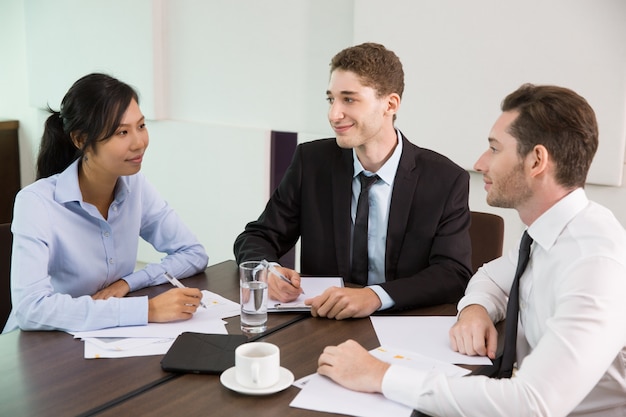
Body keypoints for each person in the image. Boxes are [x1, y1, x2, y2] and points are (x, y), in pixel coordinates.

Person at [317, 84, 626, 416]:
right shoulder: (551, 232)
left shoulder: (594, 263)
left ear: (536, 160)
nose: (480, 163)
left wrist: (382, 375)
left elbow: (532, 404)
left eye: (494, 149)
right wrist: (475, 309)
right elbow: (490, 278)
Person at [234, 42, 472, 319]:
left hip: (403, 322)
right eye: (331, 99)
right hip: (324, 321)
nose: (333, 114)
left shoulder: (444, 179)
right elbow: (258, 236)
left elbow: (452, 273)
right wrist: (269, 269)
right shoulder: (311, 162)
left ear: (390, 104)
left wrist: (375, 296)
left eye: (349, 99)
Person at [3, 73, 209, 333]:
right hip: (40, 350)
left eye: (141, 126)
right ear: (80, 140)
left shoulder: (136, 186)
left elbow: (193, 253)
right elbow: (30, 309)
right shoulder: (35, 203)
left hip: (103, 338)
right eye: (122, 132)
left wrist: (127, 283)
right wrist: (147, 310)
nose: (139, 142)